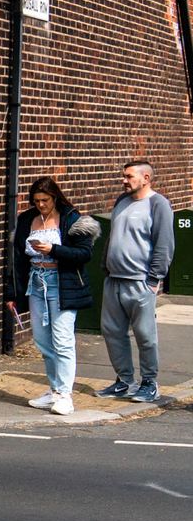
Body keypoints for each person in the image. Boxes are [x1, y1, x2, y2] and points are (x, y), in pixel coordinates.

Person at [4, 176, 96, 416]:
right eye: (36, 201)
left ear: (55, 197)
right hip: (35, 282)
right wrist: (12, 293)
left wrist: (53, 249)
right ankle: (54, 390)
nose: (41, 205)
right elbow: (17, 260)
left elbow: (84, 254)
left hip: (61, 283)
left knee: (63, 339)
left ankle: (65, 395)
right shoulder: (27, 219)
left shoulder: (71, 218)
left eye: (45, 200)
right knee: (43, 340)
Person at [97, 160, 175, 402]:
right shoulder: (122, 200)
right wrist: (106, 266)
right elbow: (114, 236)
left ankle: (149, 382)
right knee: (112, 332)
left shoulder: (158, 204)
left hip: (140, 281)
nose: (124, 180)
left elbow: (164, 243)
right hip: (114, 279)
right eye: (124, 176)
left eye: (129, 176)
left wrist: (154, 278)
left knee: (145, 335)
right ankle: (125, 381)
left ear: (146, 178)